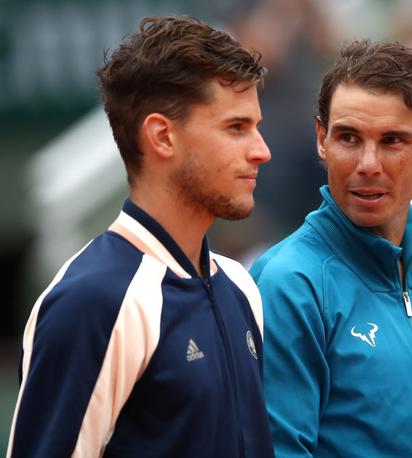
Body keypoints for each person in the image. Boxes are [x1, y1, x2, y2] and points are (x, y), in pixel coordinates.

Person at [7, 16, 274, 458]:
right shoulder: (92, 300)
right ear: (162, 136)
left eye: (255, 126)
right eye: (236, 127)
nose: (260, 149)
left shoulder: (240, 286)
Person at [250, 40, 412, 457]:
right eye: (349, 138)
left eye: (392, 140)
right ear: (322, 139)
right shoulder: (287, 283)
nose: (368, 164)